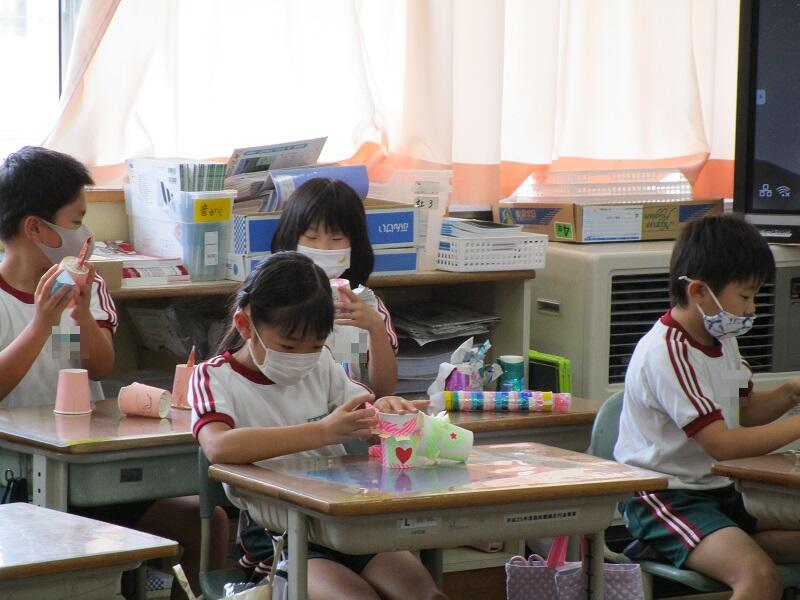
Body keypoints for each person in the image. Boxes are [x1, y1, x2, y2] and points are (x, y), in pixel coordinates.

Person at [0, 146, 227, 600]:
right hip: (19, 474)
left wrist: (80, 315)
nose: (86, 234)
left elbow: (98, 366)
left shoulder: (88, 285)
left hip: (87, 461)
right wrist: (41, 323)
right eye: (76, 219)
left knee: (207, 519)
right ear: (35, 228)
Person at [191, 252, 446, 600]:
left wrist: (387, 412)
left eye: (314, 345)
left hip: (342, 519)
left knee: (426, 595)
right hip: (277, 532)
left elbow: (363, 412)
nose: (302, 358)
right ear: (245, 326)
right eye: (288, 346)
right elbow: (219, 446)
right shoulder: (213, 378)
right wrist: (324, 432)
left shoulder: (321, 364)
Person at [614, 214, 800, 599]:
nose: (750, 309)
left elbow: (743, 410)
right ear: (699, 292)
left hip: (719, 492)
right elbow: (722, 444)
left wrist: (789, 393)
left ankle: (723, 549)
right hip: (664, 496)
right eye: (745, 297)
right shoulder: (669, 353)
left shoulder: (722, 338)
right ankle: (717, 551)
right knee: (760, 579)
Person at [271, 178, 398, 397]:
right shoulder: (271, 300)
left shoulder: (365, 305)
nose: (324, 248)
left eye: (337, 238)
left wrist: (375, 328)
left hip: (351, 411)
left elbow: (382, 390)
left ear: (355, 244)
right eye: (311, 236)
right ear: (291, 236)